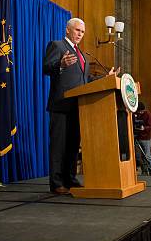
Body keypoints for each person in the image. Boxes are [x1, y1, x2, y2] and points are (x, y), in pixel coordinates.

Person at [43, 18, 118, 194]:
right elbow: (46, 68)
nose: (80, 34)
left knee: (72, 146)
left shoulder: (84, 56)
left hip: (79, 107)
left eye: (82, 32)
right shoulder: (57, 46)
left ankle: (70, 179)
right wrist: (60, 64)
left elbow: (87, 81)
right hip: (61, 105)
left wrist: (106, 78)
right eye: (77, 30)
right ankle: (56, 183)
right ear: (68, 30)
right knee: (58, 146)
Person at [134, 101, 151, 175]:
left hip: (146, 138)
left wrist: (144, 128)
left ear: (144, 109)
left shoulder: (148, 114)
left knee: (147, 156)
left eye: (141, 111)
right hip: (138, 137)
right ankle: (144, 171)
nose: (140, 113)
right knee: (140, 157)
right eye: (139, 111)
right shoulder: (136, 114)